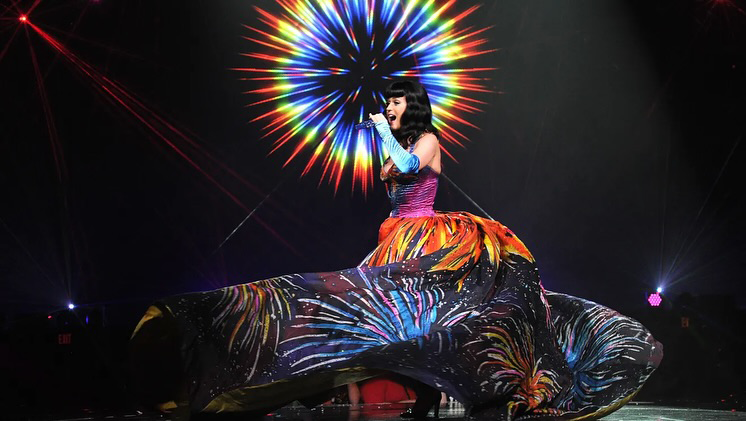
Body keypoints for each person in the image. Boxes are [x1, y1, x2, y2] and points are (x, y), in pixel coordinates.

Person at [129, 80, 662, 420]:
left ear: (414, 106)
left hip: (428, 236)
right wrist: (385, 135)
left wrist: (382, 132)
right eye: (388, 103)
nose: (388, 107)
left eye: (395, 101)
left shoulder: (427, 140)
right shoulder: (401, 142)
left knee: (427, 321)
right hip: (394, 236)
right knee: (388, 326)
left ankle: (454, 390)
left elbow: (407, 170)